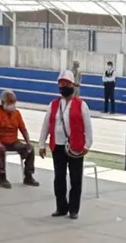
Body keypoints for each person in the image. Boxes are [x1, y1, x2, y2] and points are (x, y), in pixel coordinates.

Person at [39, 70, 92, 220]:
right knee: (59, 178)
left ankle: (74, 209)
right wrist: (42, 144)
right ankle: (61, 207)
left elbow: (88, 127)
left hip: (76, 147)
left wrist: (87, 145)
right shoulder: (53, 104)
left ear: (72, 85)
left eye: (66, 83)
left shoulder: (81, 105)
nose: (63, 86)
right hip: (58, 146)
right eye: (61, 84)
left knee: (76, 179)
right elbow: (46, 125)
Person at [0, 90, 38, 189]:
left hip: (13, 142)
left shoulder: (17, 113)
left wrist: (28, 142)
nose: (12, 104)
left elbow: (23, 129)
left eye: (14, 102)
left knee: (30, 149)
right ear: (3, 103)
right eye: (10, 102)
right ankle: (2, 177)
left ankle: (28, 176)